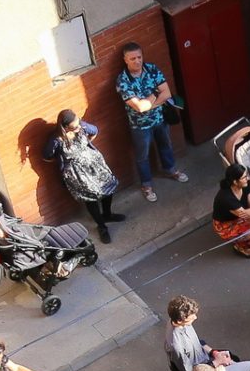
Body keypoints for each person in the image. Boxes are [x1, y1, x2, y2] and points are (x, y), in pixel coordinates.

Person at [114, 41, 185, 202]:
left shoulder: (151, 69)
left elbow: (167, 93)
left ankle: (170, 170)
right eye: (132, 58)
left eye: (139, 57)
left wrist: (149, 104)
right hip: (140, 126)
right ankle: (146, 185)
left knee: (165, 145)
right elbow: (139, 107)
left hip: (160, 119)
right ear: (125, 60)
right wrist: (155, 93)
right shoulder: (123, 80)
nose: (137, 61)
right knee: (142, 156)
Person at [45, 106, 121, 240]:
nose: (79, 127)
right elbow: (46, 156)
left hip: (96, 166)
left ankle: (107, 214)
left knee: (108, 187)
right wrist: (66, 162)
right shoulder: (56, 140)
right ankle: (102, 226)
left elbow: (95, 131)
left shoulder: (82, 126)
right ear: (65, 127)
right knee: (90, 198)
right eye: (75, 127)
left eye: (78, 123)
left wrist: (85, 148)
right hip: (78, 174)